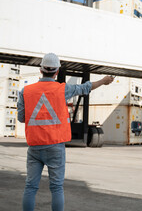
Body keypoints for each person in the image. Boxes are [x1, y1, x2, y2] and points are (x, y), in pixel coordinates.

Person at [17, 53, 114, 211]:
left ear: (41, 70)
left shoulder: (25, 91)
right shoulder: (62, 89)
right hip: (56, 147)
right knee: (56, 188)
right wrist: (103, 81)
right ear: (56, 72)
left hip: (34, 147)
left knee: (30, 187)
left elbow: (22, 118)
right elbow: (85, 88)